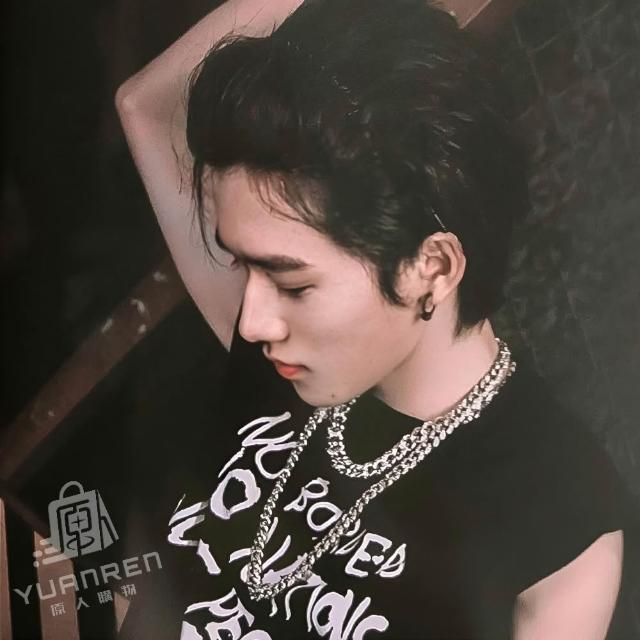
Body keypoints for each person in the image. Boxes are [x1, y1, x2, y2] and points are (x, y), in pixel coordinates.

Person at [116, 0, 633, 637]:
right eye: (241, 265)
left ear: (432, 268)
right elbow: (143, 106)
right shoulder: (280, 351)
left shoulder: (559, 517)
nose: (251, 322)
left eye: (293, 283)